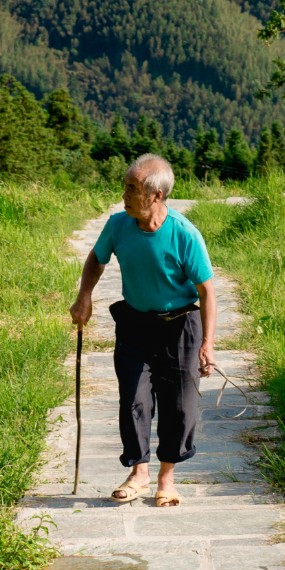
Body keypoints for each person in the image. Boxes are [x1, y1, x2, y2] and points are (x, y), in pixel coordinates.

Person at [69, 153, 216, 508]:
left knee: (179, 406)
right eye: (125, 186)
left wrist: (207, 344)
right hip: (134, 323)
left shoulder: (184, 234)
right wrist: (83, 297)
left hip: (180, 324)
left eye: (134, 188)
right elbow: (96, 258)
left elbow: (207, 290)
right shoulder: (118, 225)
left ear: (157, 196)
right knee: (134, 398)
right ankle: (139, 472)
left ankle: (167, 478)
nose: (126, 194)